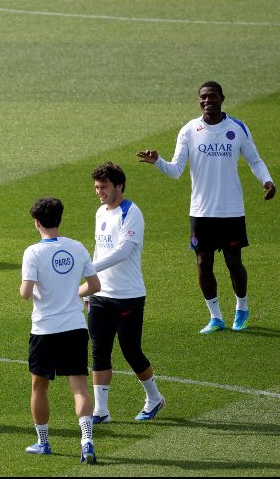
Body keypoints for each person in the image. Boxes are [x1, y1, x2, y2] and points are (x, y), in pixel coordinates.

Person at [136, 81, 276, 334]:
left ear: (222, 98)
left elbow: (255, 160)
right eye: (202, 97)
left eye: (211, 96)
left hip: (231, 210)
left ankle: (241, 308)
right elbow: (176, 171)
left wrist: (267, 180)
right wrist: (158, 162)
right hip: (201, 212)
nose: (206, 100)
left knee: (234, 263)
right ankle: (215, 317)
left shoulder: (237, 128)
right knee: (203, 265)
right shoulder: (189, 130)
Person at [20, 197, 100, 464]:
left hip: (44, 329)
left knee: (39, 387)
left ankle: (43, 442)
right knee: (79, 387)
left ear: (37, 223)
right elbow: (95, 285)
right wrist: (73, 293)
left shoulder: (33, 252)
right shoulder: (76, 247)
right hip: (75, 327)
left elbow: (25, 293)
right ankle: (87, 439)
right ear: (60, 219)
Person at [86, 163, 164, 425]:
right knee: (99, 352)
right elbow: (99, 250)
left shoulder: (132, 213)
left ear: (119, 186)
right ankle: (101, 411)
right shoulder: (100, 212)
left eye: (104, 187)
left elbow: (123, 252)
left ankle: (154, 398)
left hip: (128, 295)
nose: (100, 192)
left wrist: (86, 269)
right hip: (100, 295)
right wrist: (89, 288)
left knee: (131, 350)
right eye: (97, 187)